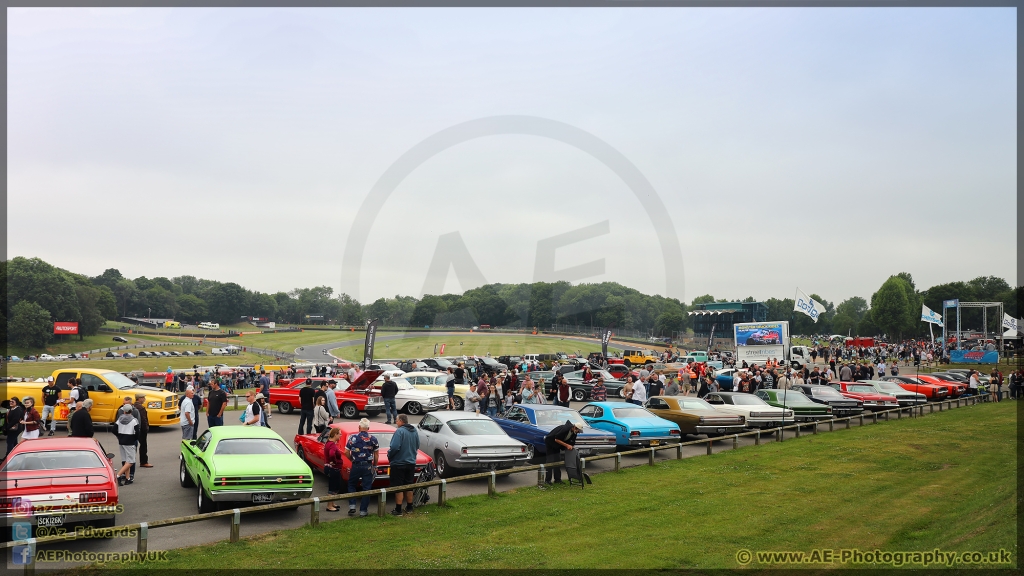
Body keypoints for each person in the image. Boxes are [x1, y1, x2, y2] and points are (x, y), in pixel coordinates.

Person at [387, 414, 419, 516]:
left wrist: (390, 455)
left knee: (398, 487)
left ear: (401, 421)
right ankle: (409, 507)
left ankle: (398, 509)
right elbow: (417, 445)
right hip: (411, 463)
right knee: (409, 485)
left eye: (396, 420)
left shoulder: (399, 431)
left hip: (399, 463)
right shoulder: (414, 431)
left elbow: (395, 447)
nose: (396, 422)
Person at [346, 418, 379, 517]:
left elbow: (346, 451)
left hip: (356, 464)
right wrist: (375, 465)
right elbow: (376, 455)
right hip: (368, 465)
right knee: (366, 488)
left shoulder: (353, 438)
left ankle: (352, 505)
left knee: (351, 484)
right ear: (368, 428)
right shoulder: (373, 439)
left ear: (359, 427)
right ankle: (363, 511)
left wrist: (352, 459)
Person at [542, 419, 582, 485]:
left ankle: (557, 479)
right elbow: (556, 439)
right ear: (575, 428)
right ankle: (547, 480)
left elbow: (572, 442)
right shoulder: (565, 429)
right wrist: (567, 445)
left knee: (557, 461)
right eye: (578, 431)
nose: (579, 432)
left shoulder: (574, 433)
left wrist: (571, 446)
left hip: (557, 446)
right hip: (550, 443)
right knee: (550, 461)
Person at [115, 405, 138, 486]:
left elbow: (113, 429)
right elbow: (137, 432)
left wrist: (119, 436)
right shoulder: (134, 420)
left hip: (121, 441)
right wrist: (134, 438)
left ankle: (127, 478)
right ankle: (118, 475)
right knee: (131, 461)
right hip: (130, 441)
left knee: (125, 460)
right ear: (131, 411)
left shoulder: (119, 419)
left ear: (124, 411)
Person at [322, 427, 344, 511]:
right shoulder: (332, 445)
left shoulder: (329, 443)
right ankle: (329, 506)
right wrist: (334, 461)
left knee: (336, 486)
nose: (340, 436)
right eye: (340, 434)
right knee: (332, 487)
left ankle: (332, 503)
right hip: (333, 469)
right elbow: (331, 454)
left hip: (332, 468)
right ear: (335, 434)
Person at [133, 393, 152, 468]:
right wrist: (146, 428)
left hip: (134, 428)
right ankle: (144, 462)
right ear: (139, 398)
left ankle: (131, 461)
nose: (144, 399)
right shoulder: (141, 408)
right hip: (141, 429)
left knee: (133, 445)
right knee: (143, 445)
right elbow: (143, 419)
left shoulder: (133, 406)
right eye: (143, 397)